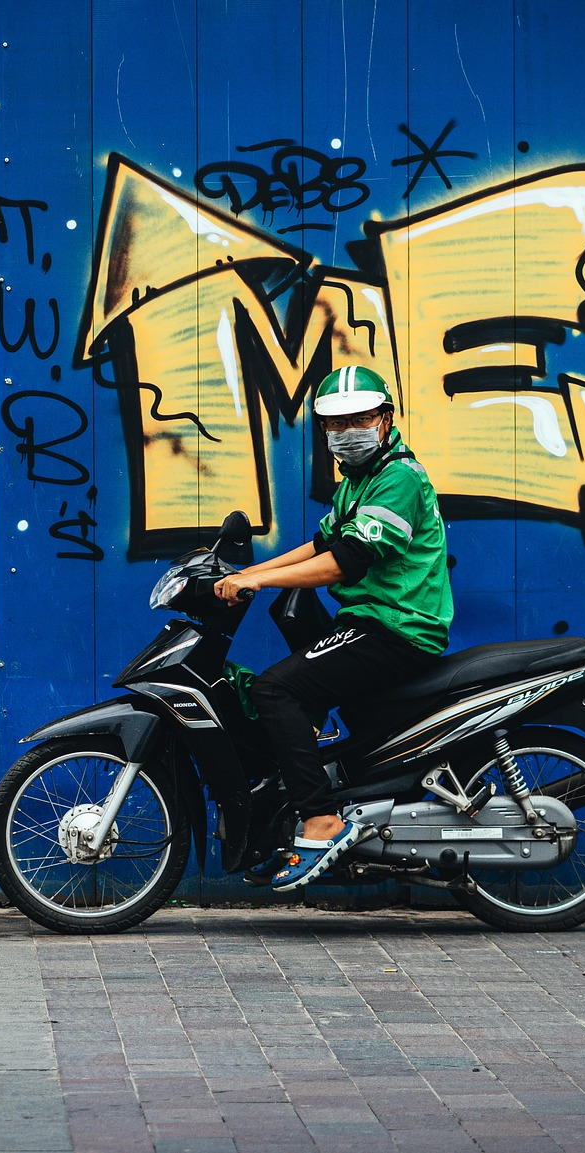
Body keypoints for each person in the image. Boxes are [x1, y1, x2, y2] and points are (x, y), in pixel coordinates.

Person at [213, 366, 453, 892]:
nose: (348, 430)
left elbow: (347, 560)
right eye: (335, 422)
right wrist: (249, 574)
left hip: (397, 630)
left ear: (386, 419)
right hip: (372, 625)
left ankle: (321, 820)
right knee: (292, 639)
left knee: (276, 689)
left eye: (360, 417)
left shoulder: (399, 480)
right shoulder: (360, 482)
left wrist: (264, 580)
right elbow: (321, 545)